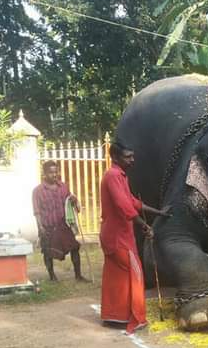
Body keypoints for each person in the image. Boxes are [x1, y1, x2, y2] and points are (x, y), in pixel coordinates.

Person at [100, 142, 169, 335]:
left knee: (117, 277)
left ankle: (114, 316)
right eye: (128, 157)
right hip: (118, 236)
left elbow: (132, 201)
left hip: (115, 234)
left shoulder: (119, 175)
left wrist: (159, 213)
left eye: (132, 156)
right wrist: (144, 225)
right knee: (135, 273)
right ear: (115, 157)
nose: (132, 160)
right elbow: (124, 206)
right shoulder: (113, 176)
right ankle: (136, 317)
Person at [32, 160, 87, 282]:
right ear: (44, 174)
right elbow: (37, 212)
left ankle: (78, 275)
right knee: (47, 252)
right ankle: (52, 276)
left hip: (63, 225)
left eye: (56, 171)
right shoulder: (37, 191)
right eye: (51, 172)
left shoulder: (63, 186)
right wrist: (40, 227)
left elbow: (71, 201)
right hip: (48, 227)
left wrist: (74, 200)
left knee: (75, 247)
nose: (54, 174)